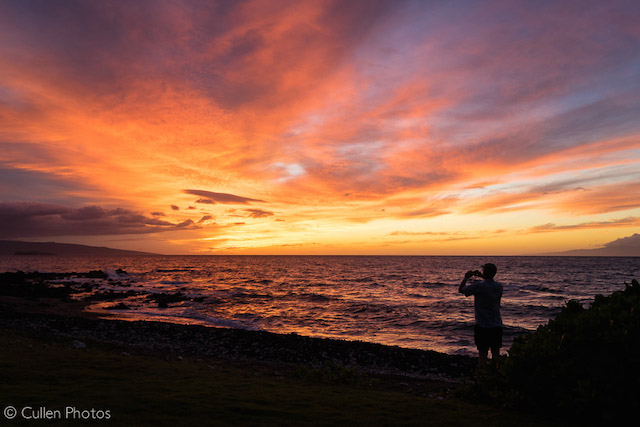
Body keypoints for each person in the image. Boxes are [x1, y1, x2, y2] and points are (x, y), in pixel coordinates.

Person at [458, 263, 503, 368]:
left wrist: (466, 278)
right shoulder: (499, 286)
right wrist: (483, 277)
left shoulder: (479, 286)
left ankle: (482, 377)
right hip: (497, 325)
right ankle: (498, 376)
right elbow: (489, 282)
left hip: (482, 326)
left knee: (483, 354)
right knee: (496, 353)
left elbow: (461, 290)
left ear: (484, 272)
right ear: (495, 273)